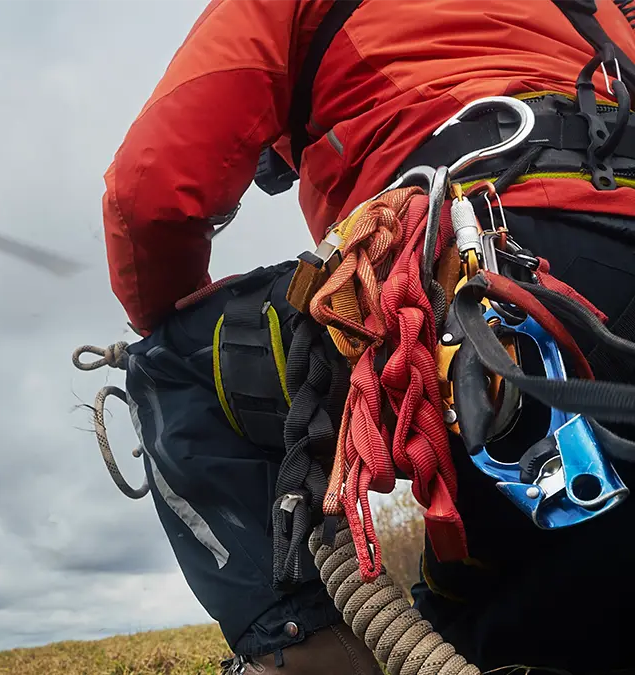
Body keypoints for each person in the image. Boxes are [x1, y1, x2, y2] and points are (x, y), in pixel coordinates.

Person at [102, 1, 635, 673]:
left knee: (175, 368)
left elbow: (147, 193)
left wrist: (162, 314)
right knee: (505, 602)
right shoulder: (592, 9)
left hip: (482, 264)